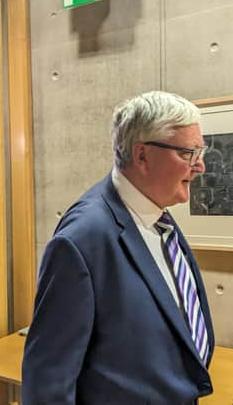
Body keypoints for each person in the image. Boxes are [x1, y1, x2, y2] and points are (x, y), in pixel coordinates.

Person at [22, 91, 215, 405]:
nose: (200, 166)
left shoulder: (155, 213)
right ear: (142, 156)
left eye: (200, 152)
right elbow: (47, 379)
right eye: (188, 153)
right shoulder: (83, 240)